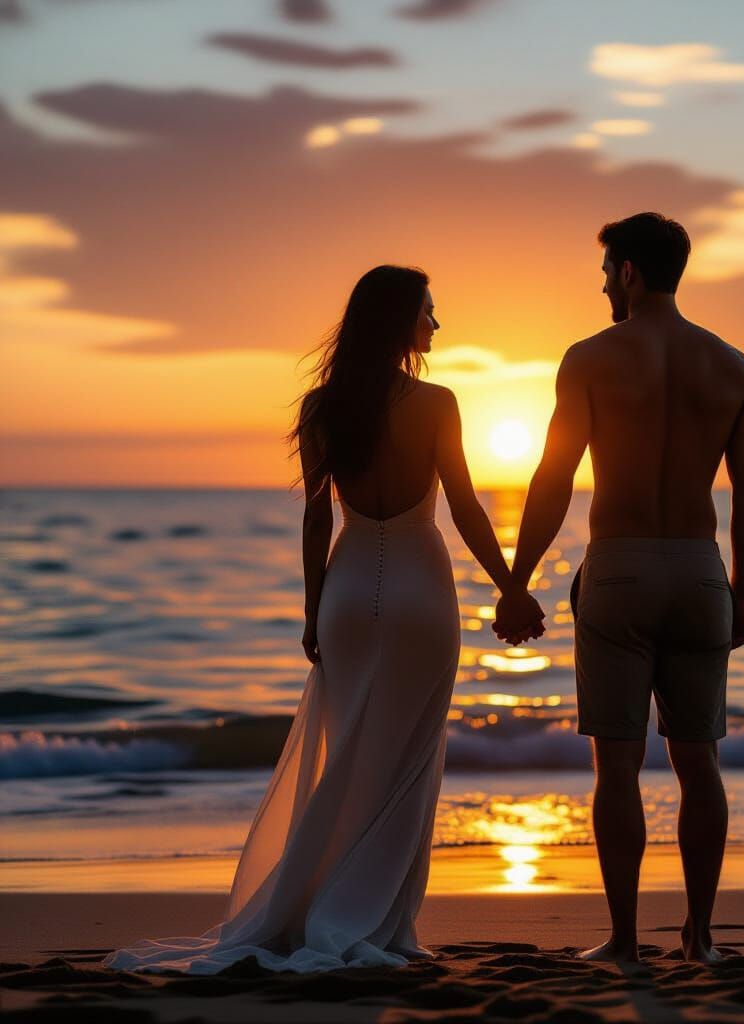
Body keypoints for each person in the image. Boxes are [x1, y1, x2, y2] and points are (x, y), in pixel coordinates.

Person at [104, 265, 542, 974]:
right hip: (421, 591)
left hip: (345, 591)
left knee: (346, 759)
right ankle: (379, 921)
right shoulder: (437, 403)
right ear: (401, 320)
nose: (437, 323)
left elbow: (316, 518)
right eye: (429, 311)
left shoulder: (320, 406)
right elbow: (463, 507)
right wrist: (511, 588)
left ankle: (320, 905)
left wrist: (313, 609)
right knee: (407, 762)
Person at [493, 212, 744, 964]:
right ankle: (700, 936)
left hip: (619, 570)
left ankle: (621, 941)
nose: (604, 285)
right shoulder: (733, 365)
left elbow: (552, 479)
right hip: (698, 569)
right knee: (698, 759)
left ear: (632, 273)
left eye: (609, 270)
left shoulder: (590, 358)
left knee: (616, 767)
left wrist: (518, 581)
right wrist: (740, 592)